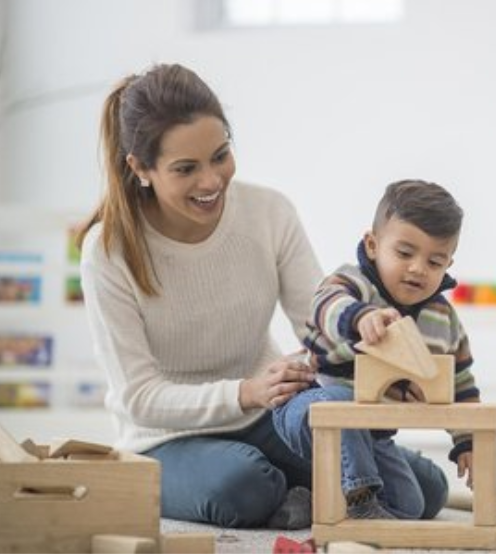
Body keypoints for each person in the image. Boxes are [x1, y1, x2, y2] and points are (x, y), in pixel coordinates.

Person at [76, 63, 448, 529]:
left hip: (270, 412)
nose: (211, 181)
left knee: (428, 491)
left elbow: (322, 323)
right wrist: (246, 391)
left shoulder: (269, 213)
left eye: (221, 155)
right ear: (141, 168)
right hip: (167, 436)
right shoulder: (108, 251)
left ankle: (298, 495)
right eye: (186, 169)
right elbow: (140, 397)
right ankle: (289, 491)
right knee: (244, 486)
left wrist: (385, 368)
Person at [273, 179, 479, 520]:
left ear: (448, 265)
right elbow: (326, 304)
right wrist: (360, 316)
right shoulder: (353, 284)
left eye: (434, 261)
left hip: (374, 434)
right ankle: (359, 502)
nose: (417, 268)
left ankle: (314, 499)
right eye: (404, 253)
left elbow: (460, 383)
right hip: (311, 405)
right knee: (340, 407)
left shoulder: (443, 319)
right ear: (372, 245)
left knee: (410, 506)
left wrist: (468, 441)